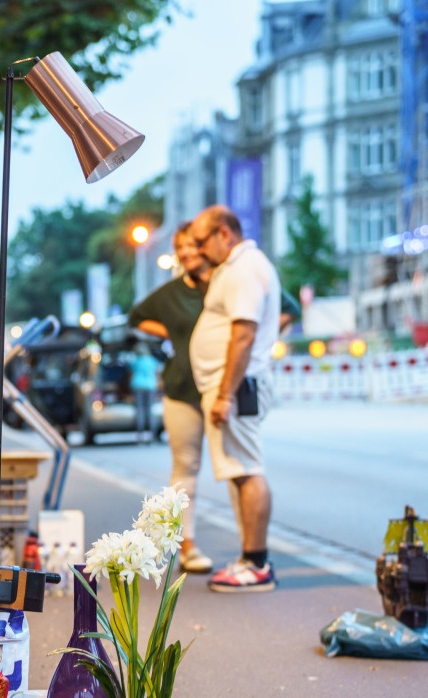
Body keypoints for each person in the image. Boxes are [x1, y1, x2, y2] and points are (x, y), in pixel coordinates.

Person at [188, 204, 282, 593]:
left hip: (239, 387)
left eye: (200, 241)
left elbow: (243, 335)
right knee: (239, 472)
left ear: (224, 233)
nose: (196, 249)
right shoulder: (235, 267)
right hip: (234, 386)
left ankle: (256, 563)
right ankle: (250, 558)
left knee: (247, 470)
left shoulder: (244, 269)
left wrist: (225, 393)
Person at [128, 222, 214, 572]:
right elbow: (136, 317)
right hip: (182, 388)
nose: (187, 253)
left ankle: (250, 554)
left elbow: (284, 308)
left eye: (193, 245)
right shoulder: (171, 292)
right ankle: (187, 545)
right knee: (185, 469)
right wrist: (174, 332)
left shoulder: (229, 283)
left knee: (238, 470)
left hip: (224, 388)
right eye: (180, 248)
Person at [126, 338, 161, 443]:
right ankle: (152, 436)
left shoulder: (135, 361)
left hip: (137, 386)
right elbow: (157, 374)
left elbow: (130, 374)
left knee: (140, 411)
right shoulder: (152, 361)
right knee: (150, 410)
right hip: (150, 386)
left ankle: (140, 436)